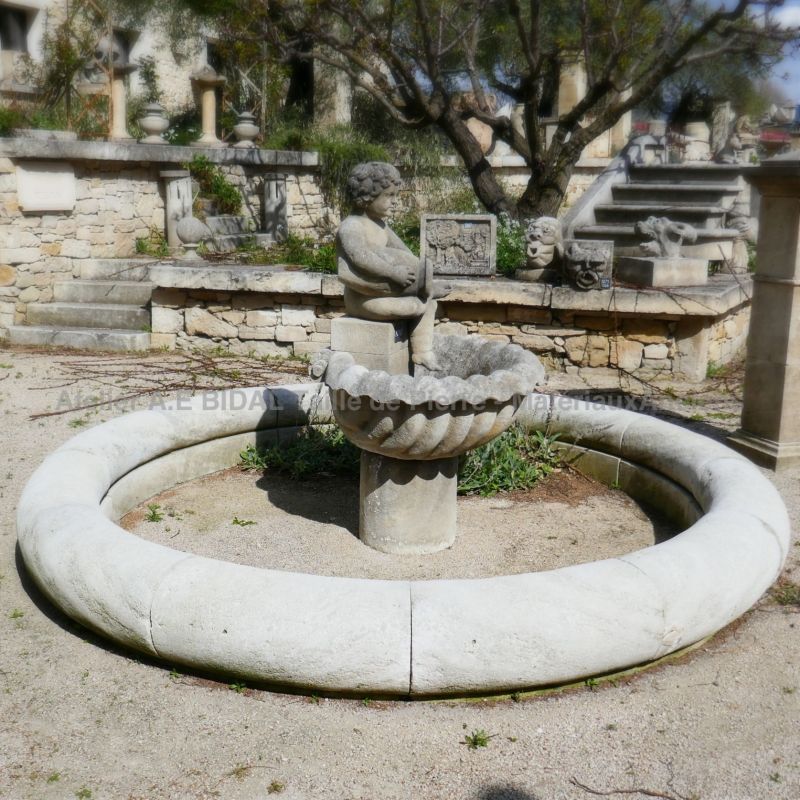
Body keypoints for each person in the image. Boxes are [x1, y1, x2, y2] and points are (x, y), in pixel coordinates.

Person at [336, 162, 439, 371]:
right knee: (414, 307)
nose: (395, 201)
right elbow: (360, 257)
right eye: (389, 195)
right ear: (367, 197)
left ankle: (422, 352)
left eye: (395, 195)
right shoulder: (351, 226)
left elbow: (405, 254)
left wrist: (422, 278)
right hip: (362, 298)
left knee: (430, 303)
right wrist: (393, 272)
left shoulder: (381, 226)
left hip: (384, 291)